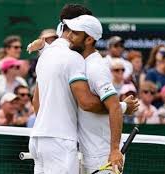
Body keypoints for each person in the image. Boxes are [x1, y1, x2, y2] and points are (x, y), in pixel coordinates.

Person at [29, 5, 110, 174]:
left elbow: (36, 101)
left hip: (38, 139)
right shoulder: (73, 57)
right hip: (60, 142)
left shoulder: (45, 54)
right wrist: (120, 107)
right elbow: (87, 103)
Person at [64, 14, 138, 173]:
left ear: (89, 39)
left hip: (103, 156)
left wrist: (114, 151)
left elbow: (114, 107)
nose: (69, 36)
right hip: (89, 153)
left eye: (75, 33)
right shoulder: (82, 63)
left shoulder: (96, 67)